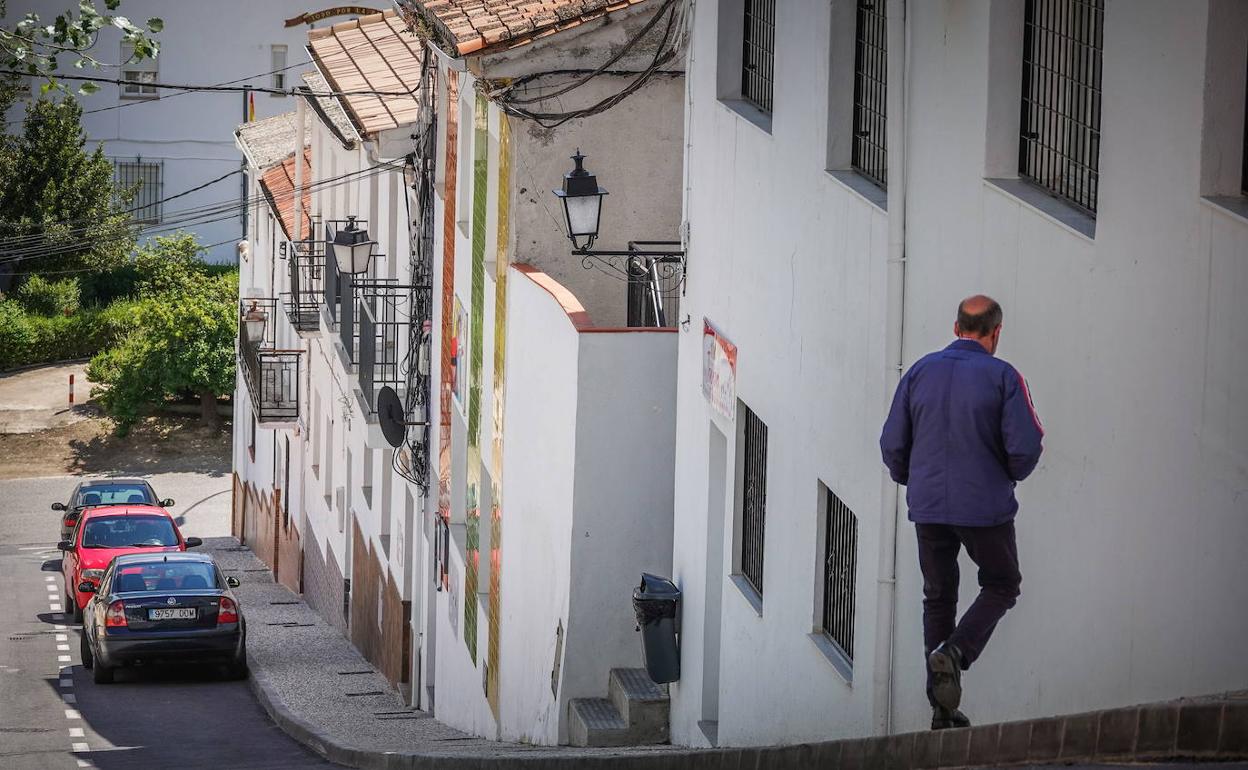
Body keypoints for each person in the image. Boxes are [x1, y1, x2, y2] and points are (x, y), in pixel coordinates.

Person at [879, 295, 1044, 730]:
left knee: (938, 596)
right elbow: (1026, 448)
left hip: (928, 507)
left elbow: (892, 443)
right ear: (996, 333)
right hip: (985, 509)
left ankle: (941, 709)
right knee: (1003, 582)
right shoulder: (1004, 377)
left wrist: (913, 480)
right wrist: (1002, 476)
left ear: (955, 328)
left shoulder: (919, 372)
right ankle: (955, 652)